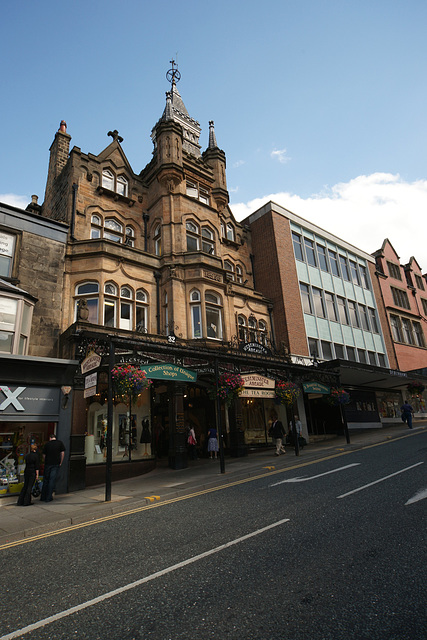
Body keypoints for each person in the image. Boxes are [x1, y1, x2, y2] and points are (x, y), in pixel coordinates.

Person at [40, 433, 65, 502]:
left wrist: (46, 461)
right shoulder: (59, 443)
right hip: (55, 463)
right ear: (55, 438)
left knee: (46, 480)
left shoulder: (47, 444)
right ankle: (48, 497)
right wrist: (60, 462)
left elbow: (43, 455)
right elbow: (62, 453)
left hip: (48, 464)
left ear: (50, 438)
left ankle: (43, 496)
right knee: (52, 480)